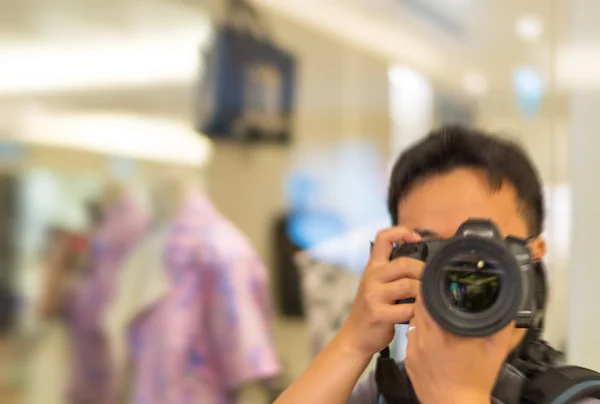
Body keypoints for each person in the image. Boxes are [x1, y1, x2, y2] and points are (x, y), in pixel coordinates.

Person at [274, 125, 600, 404]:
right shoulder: (390, 390)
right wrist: (353, 342)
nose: (460, 273)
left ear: (533, 257)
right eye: (434, 249)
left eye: (481, 251)